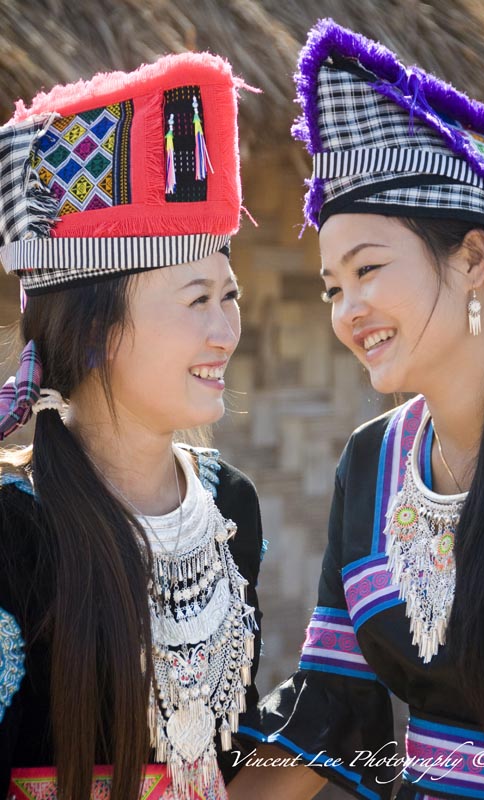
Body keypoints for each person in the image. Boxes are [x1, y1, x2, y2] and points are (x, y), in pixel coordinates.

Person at [229, 18, 484, 800]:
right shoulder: (372, 464)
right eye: (333, 288)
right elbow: (331, 701)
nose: (348, 311)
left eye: (367, 270)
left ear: (472, 258)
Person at [0, 52, 264, 800]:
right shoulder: (15, 532)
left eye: (230, 295)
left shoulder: (231, 508)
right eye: (196, 299)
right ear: (96, 333)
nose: (226, 332)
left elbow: (235, 764)